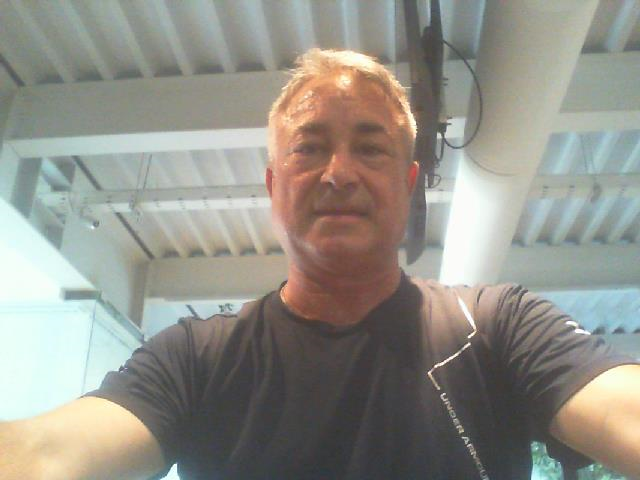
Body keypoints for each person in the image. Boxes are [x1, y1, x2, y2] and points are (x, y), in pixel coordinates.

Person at [1, 48, 639, 480]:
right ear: (274, 186)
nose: (338, 173)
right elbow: (46, 454)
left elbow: (621, 409)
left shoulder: (498, 326)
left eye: (370, 148)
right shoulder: (195, 358)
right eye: (309, 148)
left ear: (409, 184)